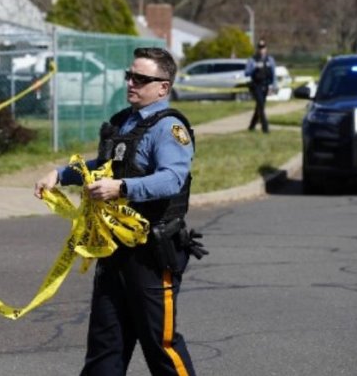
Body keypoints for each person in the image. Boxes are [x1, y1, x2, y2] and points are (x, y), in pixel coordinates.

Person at [34, 47, 206, 375]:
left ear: (163, 87)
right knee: (105, 345)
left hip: (151, 254)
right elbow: (103, 165)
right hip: (113, 250)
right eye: (130, 75)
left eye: (141, 79)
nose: (131, 83)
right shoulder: (123, 123)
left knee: (161, 345)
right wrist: (61, 174)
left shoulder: (169, 129)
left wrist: (122, 188)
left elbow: (172, 178)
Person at [245, 39, 276, 133]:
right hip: (256, 86)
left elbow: (273, 74)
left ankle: (251, 126)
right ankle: (265, 128)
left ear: (266, 48)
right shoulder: (252, 60)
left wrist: (273, 86)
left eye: (263, 47)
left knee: (259, 107)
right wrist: (254, 68)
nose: (261, 49)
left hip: (265, 86)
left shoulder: (270, 60)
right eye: (259, 47)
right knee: (261, 106)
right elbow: (246, 73)